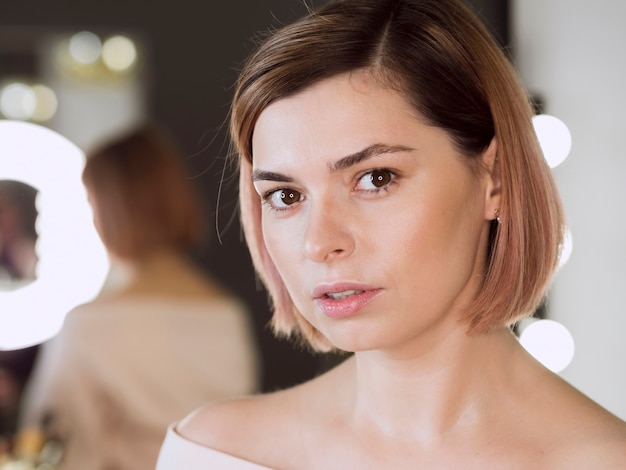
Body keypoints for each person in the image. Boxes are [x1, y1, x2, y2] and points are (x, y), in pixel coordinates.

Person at [157, 0, 626, 468]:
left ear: (496, 179)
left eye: (376, 178)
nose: (319, 243)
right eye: (285, 196)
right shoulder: (212, 452)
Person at [18, 124, 260, 469]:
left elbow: (50, 446)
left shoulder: (89, 326)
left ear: (109, 208)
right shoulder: (227, 314)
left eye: (90, 202)